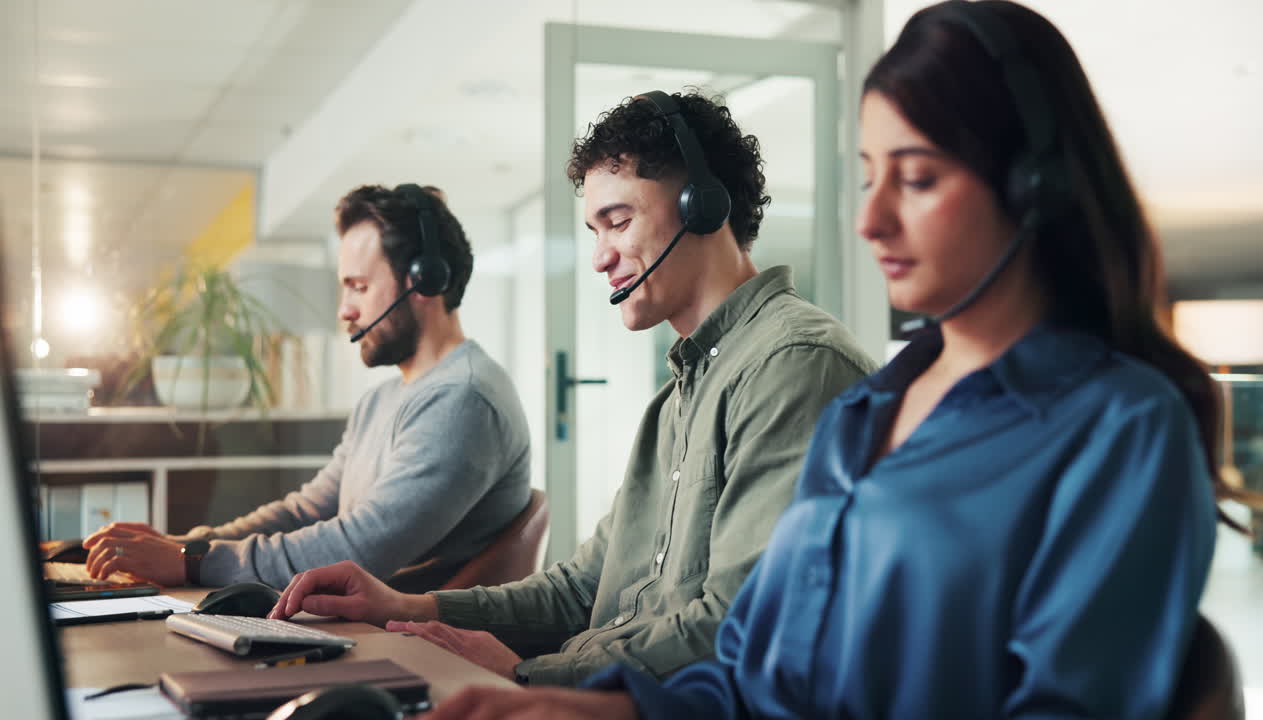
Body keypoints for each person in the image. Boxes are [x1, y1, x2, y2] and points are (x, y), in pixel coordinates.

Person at [425, 2, 1226, 717]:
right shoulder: (866, 416)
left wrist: (542, 673)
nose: (869, 220)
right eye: (870, 177)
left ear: (1034, 186)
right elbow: (760, 669)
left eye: (915, 178)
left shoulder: (1121, 426)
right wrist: (604, 707)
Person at [269, 89, 878, 687]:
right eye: (594, 229)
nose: (600, 258)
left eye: (618, 221)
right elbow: (582, 587)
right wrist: (411, 608)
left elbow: (736, 624)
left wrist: (533, 676)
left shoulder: (794, 367)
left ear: (703, 206)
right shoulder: (677, 400)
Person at [82, 184, 532, 591]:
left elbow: (360, 548)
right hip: (362, 630)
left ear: (425, 280)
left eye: (358, 287)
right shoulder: (385, 399)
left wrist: (190, 561)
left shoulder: (464, 399)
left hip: (411, 649)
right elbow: (307, 511)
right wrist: (188, 543)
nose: (344, 311)